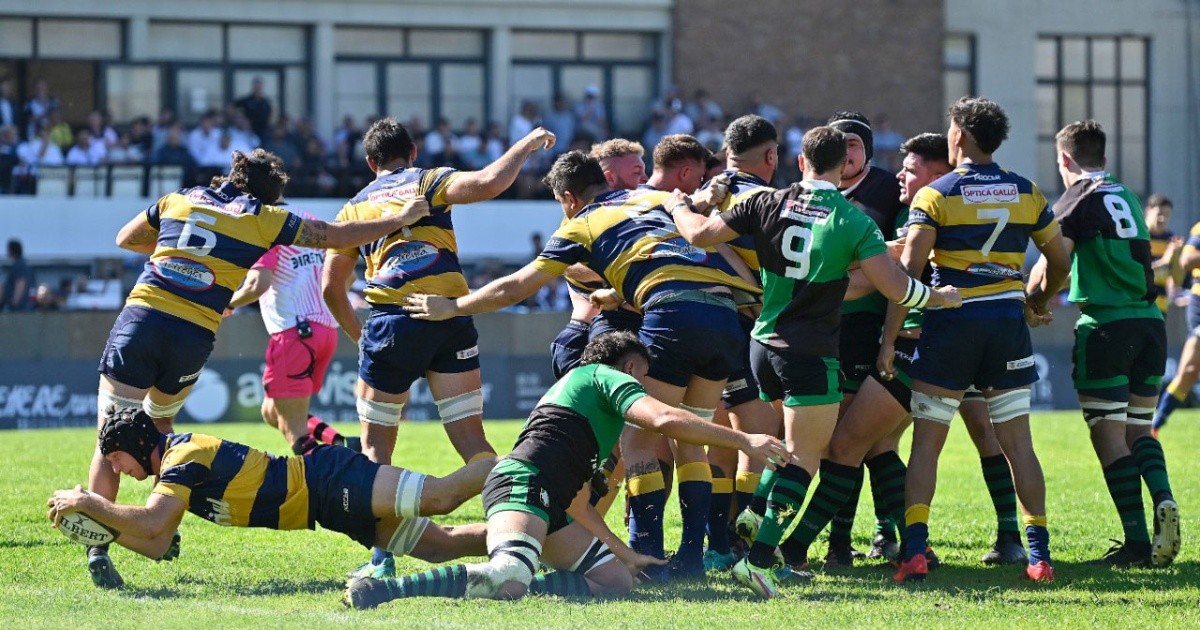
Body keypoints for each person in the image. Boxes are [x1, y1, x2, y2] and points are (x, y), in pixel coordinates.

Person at [86, 148, 432, 590]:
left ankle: (98, 545)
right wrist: (395, 218)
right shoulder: (263, 219)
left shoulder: (181, 198)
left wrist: (183, 255)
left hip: (144, 319)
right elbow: (333, 234)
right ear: (269, 196)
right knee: (159, 426)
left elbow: (127, 239)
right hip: (193, 335)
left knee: (111, 432)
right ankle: (162, 522)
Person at [403, 150, 757, 579]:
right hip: (724, 315)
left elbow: (516, 286)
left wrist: (453, 306)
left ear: (567, 198)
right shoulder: (648, 198)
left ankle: (650, 556)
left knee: (642, 442)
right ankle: (692, 559)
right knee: (690, 440)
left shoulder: (581, 224)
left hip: (672, 313)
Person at [670, 125, 961, 599]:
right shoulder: (853, 220)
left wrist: (680, 204)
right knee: (805, 458)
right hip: (809, 351)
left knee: (786, 444)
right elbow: (897, 288)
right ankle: (760, 561)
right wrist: (940, 297)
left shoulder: (764, 201)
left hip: (762, 345)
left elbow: (701, 236)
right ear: (839, 166)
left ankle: (752, 514)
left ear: (800, 161)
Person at [342, 332, 792, 607]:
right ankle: (386, 590)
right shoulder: (602, 377)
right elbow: (665, 420)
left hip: (550, 500)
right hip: (522, 483)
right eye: (641, 378)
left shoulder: (585, 401)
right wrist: (744, 439)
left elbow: (577, 502)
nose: (641, 386)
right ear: (630, 367)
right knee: (507, 576)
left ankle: (512, 564)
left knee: (613, 581)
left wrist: (625, 552)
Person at [321, 117, 555, 579]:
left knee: (375, 454)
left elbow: (331, 287)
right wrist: (526, 145)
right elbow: (489, 183)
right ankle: (515, 534)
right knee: (473, 443)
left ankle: (380, 558)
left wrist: (359, 335)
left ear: (371, 164)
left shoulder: (353, 208)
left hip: (391, 326)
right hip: (448, 316)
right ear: (412, 152)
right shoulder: (428, 180)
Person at [891, 97, 1071, 584]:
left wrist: (892, 334)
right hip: (1006, 324)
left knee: (927, 444)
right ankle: (1039, 557)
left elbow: (907, 271)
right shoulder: (1027, 192)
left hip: (952, 322)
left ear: (960, 137)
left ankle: (912, 553)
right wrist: (1037, 302)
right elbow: (1059, 262)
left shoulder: (936, 194)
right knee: (1019, 445)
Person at [49, 407, 493, 591]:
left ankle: (523, 463)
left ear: (133, 443)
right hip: (323, 507)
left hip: (327, 478)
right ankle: (534, 538)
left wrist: (89, 502)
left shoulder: (183, 456)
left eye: (115, 460)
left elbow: (150, 524)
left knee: (441, 497)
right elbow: (156, 542)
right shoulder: (170, 470)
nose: (118, 471)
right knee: (441, 546)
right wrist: (100, 526)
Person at [1027, 120, 1179, 567]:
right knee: (1139, 431)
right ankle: (1164, 498)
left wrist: (1033, 301)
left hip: (1107, 326)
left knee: (1108, 435)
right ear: (1106, 160)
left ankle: (1135, 543)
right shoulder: (1129, 196)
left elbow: (1056, 260)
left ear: (1064, 160)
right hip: (1151, 323)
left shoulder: (1075, 197)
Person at [693, 115, 785, 571]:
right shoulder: (768, 200)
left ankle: (714, 546)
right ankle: (741, 541)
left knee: (719, 441)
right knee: (762, 437)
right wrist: (753, 289)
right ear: (771, 156)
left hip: (703, 325)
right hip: (755, 332)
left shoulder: (702, 197)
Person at [227, 209, 349, 456]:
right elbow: (349, 275)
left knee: (294, 431)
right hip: (326, 332)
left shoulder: (267, 228)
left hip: (296, 334)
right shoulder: (311, 221)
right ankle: (335, 440)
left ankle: (331, 477)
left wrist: (227, 304)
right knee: (271, 411)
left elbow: (256, 285)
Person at [2, 238, 33, 311]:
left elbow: (20, 283)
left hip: (17, 309)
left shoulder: (19, 265)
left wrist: (14, 302)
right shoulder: (20, 264)